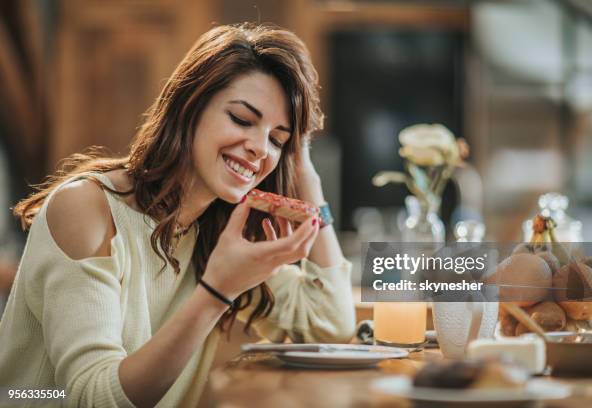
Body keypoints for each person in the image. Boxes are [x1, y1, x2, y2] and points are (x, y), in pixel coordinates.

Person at [0, 23, 355, 408]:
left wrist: (307, 174)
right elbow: (93, 398)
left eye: (277, 140)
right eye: (241, 118)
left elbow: (331, 324)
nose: (259, 149)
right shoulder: (88, 208)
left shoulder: (218, 230)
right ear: (190, 106)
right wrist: (218, 292)